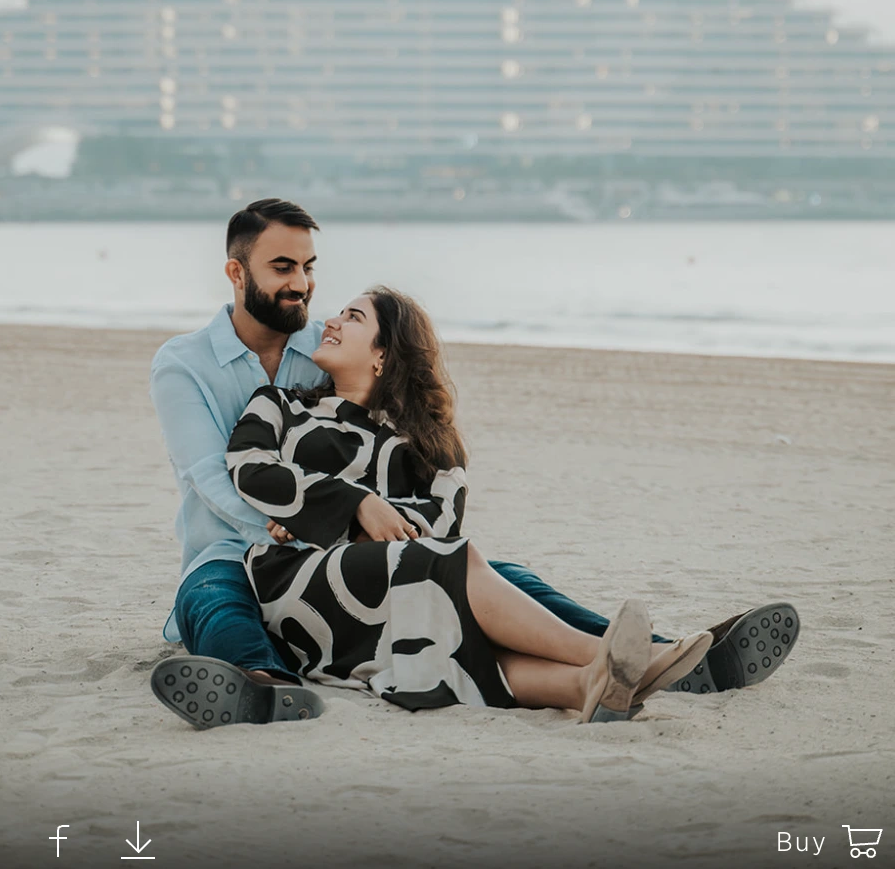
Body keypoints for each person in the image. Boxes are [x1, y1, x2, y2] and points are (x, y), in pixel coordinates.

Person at [149, 199, 799, 728]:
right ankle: (262, 688)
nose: (305, 288)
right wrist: (344, 512)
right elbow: (226, 473)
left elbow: (441, 514)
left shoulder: (326, 360)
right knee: (219, 600)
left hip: (385, 579)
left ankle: (601, 681)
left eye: (309, 267)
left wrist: (390, 519)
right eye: (283, 266)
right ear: (237, 273)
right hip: (256, 564)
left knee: (500, 583)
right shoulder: (237, 381)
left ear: (380, 358)